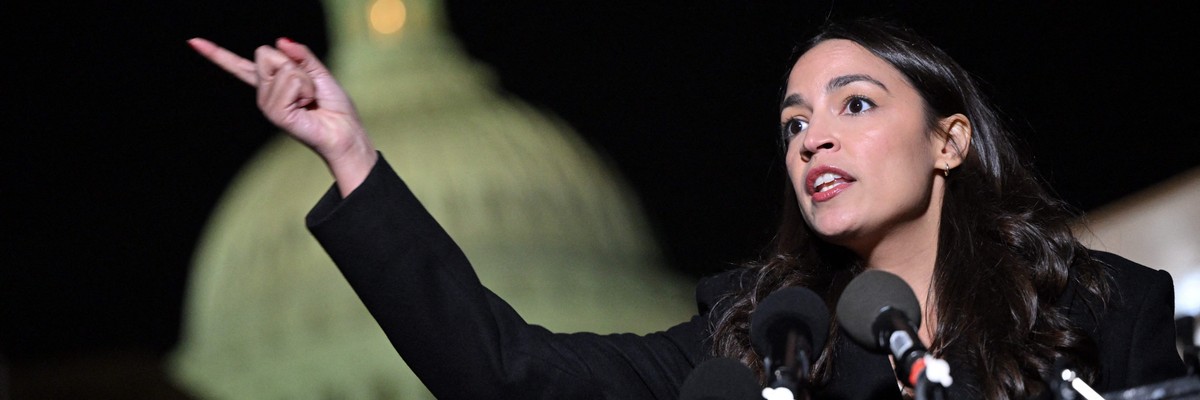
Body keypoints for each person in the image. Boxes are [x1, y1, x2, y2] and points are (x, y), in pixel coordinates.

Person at [188, 18, 1185, 399]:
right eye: (794, 123)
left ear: (949, 140)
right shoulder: (753, 339)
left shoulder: (1108, 311)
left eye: (855, 105)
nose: (813, 138)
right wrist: (353, 156)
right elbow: (505, 372)